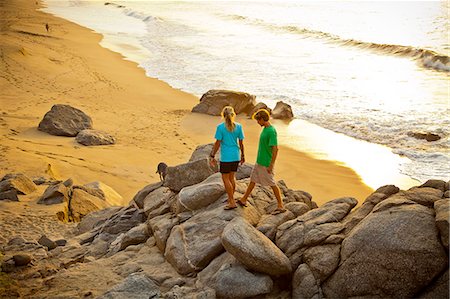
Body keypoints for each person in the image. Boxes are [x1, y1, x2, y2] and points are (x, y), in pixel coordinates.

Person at [237, 109, 285, 214]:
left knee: (272, 184)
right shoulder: (265, 128)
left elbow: (275, 149)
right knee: (252, 180)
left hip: (266, 163)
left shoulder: (271, 131)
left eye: (258, 121)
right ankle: (244, 199)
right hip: (259, 161)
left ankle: (280, 205)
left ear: (263, 119)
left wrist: (271, 165)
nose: (258, 123)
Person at [209, 106, 245, 210]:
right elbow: (241, 143)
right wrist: (243, 155)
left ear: (223, 115)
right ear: (233, 114)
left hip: (226, 157)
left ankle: (232, 201)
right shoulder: (238, 126)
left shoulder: (220, 127)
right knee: (232, 178)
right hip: (235, 155)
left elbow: (217, 143)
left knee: (225, 179)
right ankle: (231, 198)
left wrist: (212, 155)